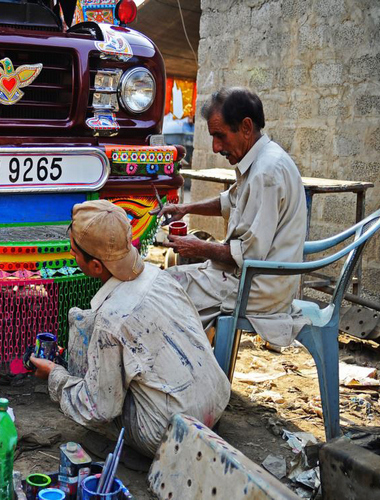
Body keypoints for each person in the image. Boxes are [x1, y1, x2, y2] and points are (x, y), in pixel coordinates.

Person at [30, 200, 230, 457]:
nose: (72, 256)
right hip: (215, 402)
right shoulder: (159, 276)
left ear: (96, 266)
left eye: (75, 253)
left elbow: (100, 409)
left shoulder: (111, 319)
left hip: (168, 434)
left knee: (95, 398)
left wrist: (55, 376)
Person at [159, 87, 307, 347]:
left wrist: (197, 247)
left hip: (259, 289)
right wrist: (186, 209)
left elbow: (248, 255)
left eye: (220, 136)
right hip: (254, 278)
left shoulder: (267, 172)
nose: (216, 147)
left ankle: (183, 370)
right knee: (171, 283)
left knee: (163, 290)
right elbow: (230, 201)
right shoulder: (262, 160)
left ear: (246, 127)